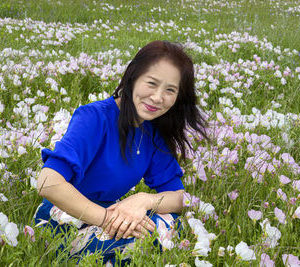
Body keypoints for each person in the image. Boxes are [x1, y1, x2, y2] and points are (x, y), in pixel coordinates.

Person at [34, 40, 208, 265]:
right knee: (144, 240)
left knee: (173, 225)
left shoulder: (153, 131)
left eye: (170, 90)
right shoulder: (94, 118)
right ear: (133, 78)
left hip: (112, 215)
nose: (157, 97)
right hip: (64, 219)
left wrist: (143, 200)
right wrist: (107, 219)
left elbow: (178, 198)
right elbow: (48, 183)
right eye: (151, 83)